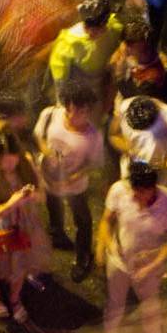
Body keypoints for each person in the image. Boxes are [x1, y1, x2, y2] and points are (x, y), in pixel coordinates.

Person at [0, 120, 51, 322]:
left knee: (21, 262)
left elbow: (43, 196)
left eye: (13, 160)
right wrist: (14, 201)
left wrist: (31, 196)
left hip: (24, 221)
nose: (10, 166)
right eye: (5, 161)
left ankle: (14, 299)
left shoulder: (26, 160)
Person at [99, 159, 167, 333]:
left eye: (142, 192)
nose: (136, 197)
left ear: (154, 188)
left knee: (150, 305)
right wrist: (108, 245)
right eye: (134, 191)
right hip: (118, 261)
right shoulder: (119, 191)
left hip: (149, 265)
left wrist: (151, 267)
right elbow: (106, 220)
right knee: (115, 302)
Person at [36, 88, 105, 280]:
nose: (76, 117)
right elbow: (39, 137)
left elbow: (94, 163)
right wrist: (47, 153)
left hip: (75, 186)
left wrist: (74, 177)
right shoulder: (50, 114)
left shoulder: (93, 136)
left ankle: (83, 256)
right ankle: (57, 234)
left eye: (83, 112)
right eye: (72, 110)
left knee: (82, 219)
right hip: (49, 178)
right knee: (53, 206)